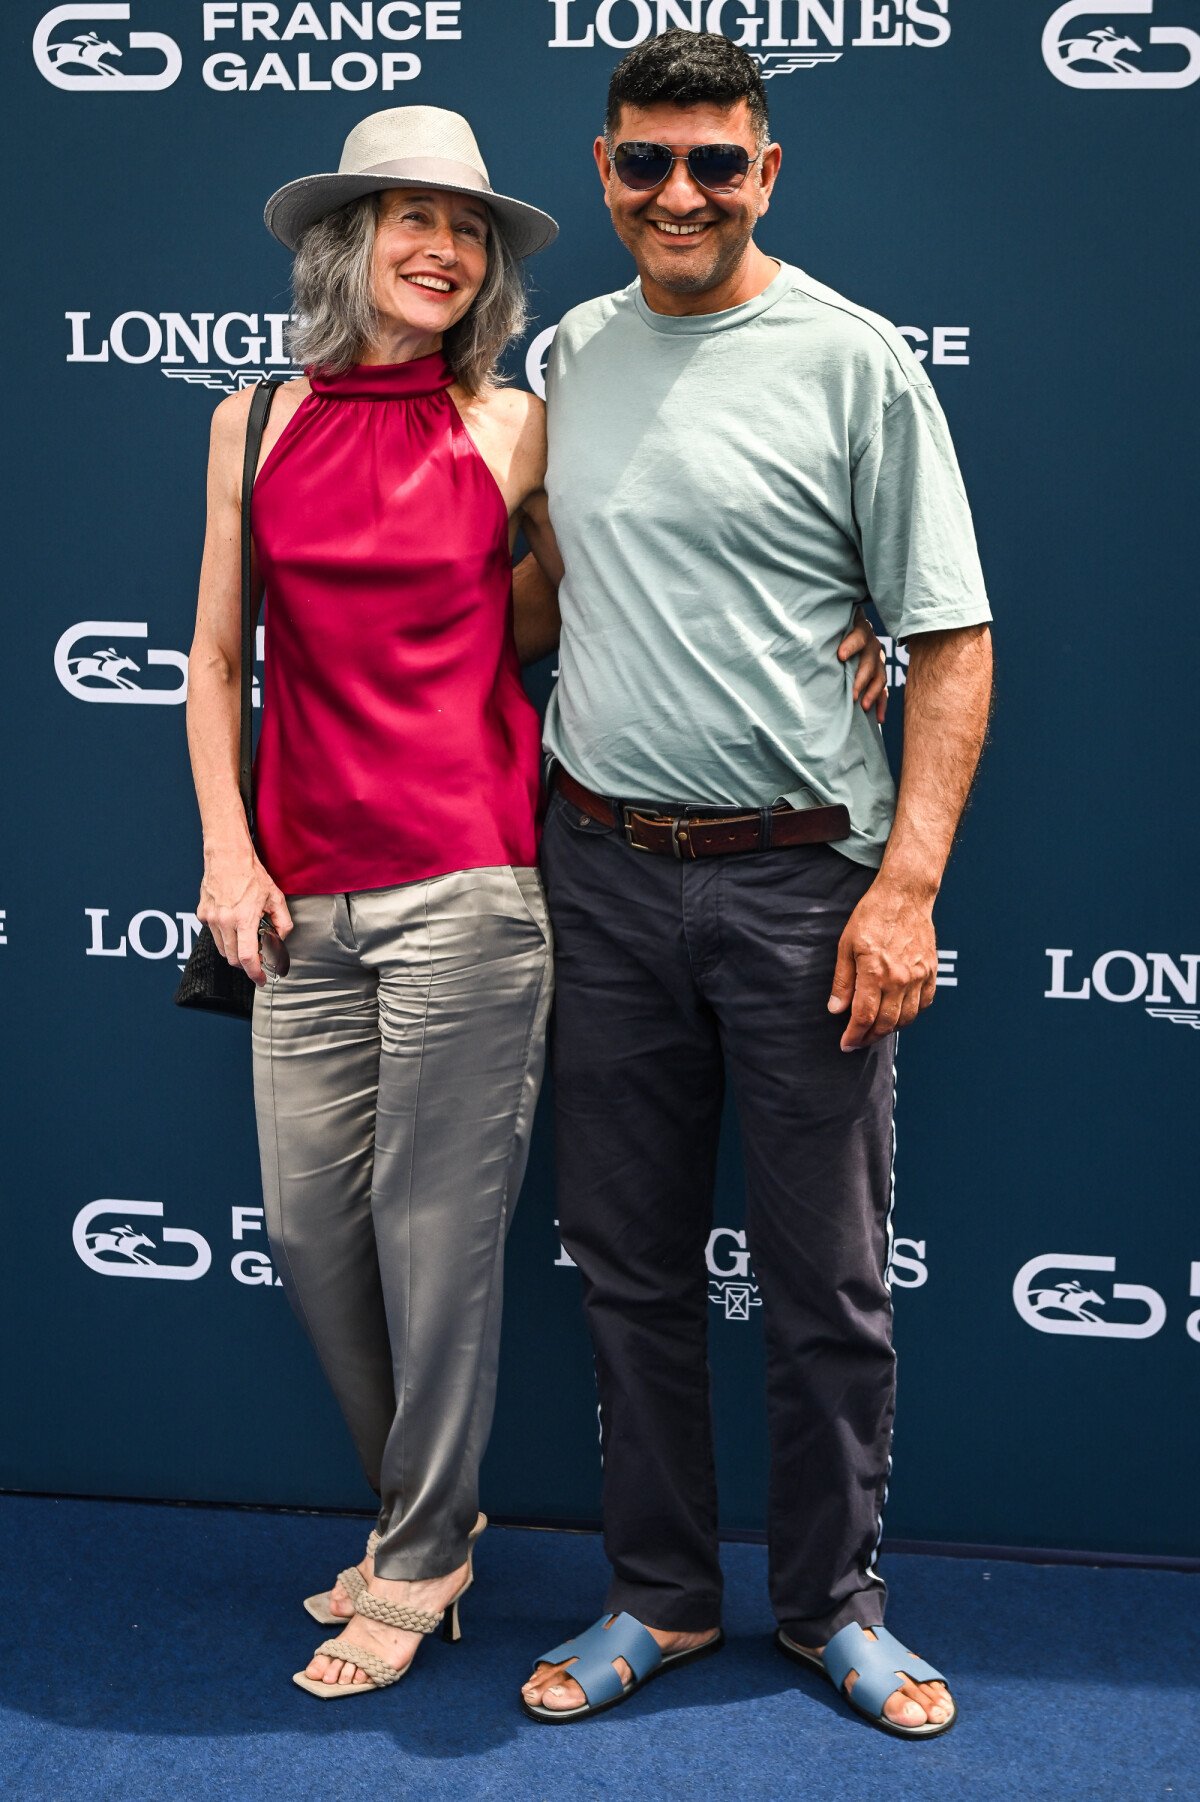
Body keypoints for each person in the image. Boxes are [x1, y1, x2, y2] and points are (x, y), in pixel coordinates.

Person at [186, 98, 887, 1703]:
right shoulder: (252, 424)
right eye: (408, 219)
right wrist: (227, 848)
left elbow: (652, 566)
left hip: (476, 880)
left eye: (468, 229)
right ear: (346, 241)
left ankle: (421, 1558)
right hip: (297, 894)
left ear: (489, 266)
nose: (440, 246)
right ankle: (426, 1505)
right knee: (311, 1231)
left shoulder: (518, 421)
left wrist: (865, 625)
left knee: (439, 1253)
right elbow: (219, 660)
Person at [520, 32, 993, 1739]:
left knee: (830, 1279)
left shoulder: (852, 361)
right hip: (602, 872)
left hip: (809, 886)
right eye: (647, 162)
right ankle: (658, 1591)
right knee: (628, 1267)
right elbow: (539, 600)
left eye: (715, 162)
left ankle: (832, 1605)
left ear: (766, 174)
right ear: (603, 171)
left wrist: (908, 885)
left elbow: (947, 635)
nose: (680, 194)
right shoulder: (560, 349)